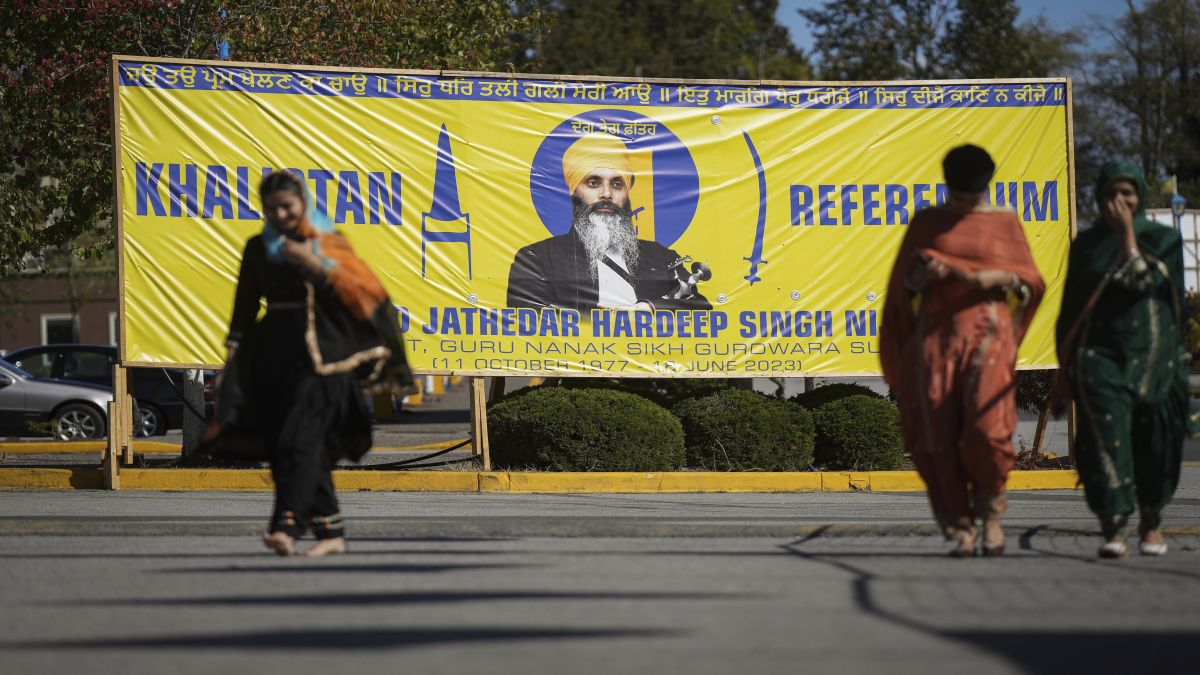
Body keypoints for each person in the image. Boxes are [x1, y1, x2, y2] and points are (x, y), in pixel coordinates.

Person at [202, 170, 411, 557]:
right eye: (272, 209)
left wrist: (312, 264)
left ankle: (287, 525)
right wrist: (231, 360)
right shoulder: (258, 247)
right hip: (274, 358)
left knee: (301, 438)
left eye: (288, 206)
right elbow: (244, 308)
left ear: (303, 203)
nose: (281, 215)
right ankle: (330, 533)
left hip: (326, 360)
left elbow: (362, 293)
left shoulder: (326, 242)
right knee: (287, 444)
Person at [881, 144, 1045, 557]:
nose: (964, 205)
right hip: (935, 343)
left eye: (971, 197)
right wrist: (921, 277)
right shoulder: (928, 223)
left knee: (987, 432)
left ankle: (990, 513)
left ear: (986, 185)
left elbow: (1030, 281)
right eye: (958, 196)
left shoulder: (1004, 222)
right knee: (933, 433)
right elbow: (902, 289)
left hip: (988, 339)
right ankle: (958, 523)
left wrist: (1002, 278)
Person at [1054, 161, 1188, 559]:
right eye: (1112, 194)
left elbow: (1148, 284)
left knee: (1154, 442)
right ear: (1099, 197)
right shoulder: (1087, 245)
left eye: (1128, 193)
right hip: (1099, 359)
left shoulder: (1162, 239)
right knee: (1104, 441)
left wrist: (1127, 234)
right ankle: (1112, 526)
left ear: (1141, 196)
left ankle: (1151, 523)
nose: (1120, 201)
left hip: (1155, 360)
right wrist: (1062, 373)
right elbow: (1070, 312)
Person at [507, 133, 711, 311]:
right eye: (593, 183)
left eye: (617, 183)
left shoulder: (662, 258)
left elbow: (700, 308)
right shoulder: (537, 259)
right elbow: (528, 320)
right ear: (573, 192)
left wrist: (651, 308)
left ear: (627, 193)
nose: (606, 194)